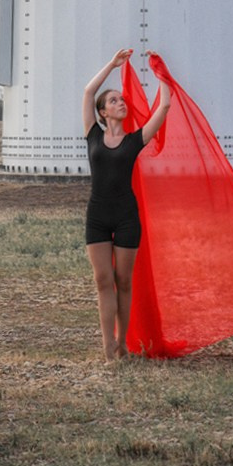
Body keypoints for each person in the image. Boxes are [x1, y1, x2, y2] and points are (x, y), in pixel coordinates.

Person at [82, 48, 171, 362]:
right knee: (102, 281)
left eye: (122, 99)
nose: (121, 103)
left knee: (123, 281)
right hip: (97, 216)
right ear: (103, 112)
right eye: (113, 101)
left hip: (126, 218)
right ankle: (108, 349)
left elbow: (164, 107)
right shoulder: (93, 135)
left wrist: (162, 75)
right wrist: (113, 64)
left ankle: (122, 345)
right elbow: (88, 91)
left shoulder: (135, 140)